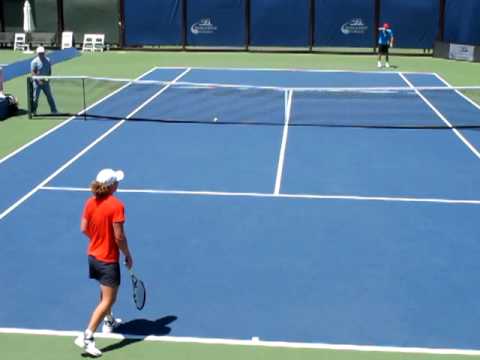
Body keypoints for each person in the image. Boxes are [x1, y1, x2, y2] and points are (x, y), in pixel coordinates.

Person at [75, 168, 133, 357]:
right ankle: (88, 336)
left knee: (104, 291)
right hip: (108, 260)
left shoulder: (90, 202)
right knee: (109, 298)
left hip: (93, 256)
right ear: (111, 186)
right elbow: (119, 237)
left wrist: (98, 239)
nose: (118, 183)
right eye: (116, 181)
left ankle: (108, 321)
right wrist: (127, 254)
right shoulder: (117, 206)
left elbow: (84, 228)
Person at [30, 46, 58, 114]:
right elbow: (33, 73)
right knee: (35, 98)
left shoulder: (48, 60)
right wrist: (39, 81)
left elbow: (49, 71)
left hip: (45, 82)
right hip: (37, 83)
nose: (41, 54)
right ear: (37, 53)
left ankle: (54, 111)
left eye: (42, 53)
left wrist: (47, 79)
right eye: (40, 53)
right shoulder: (34, 62)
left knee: (50, 96)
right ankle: (34, 111)